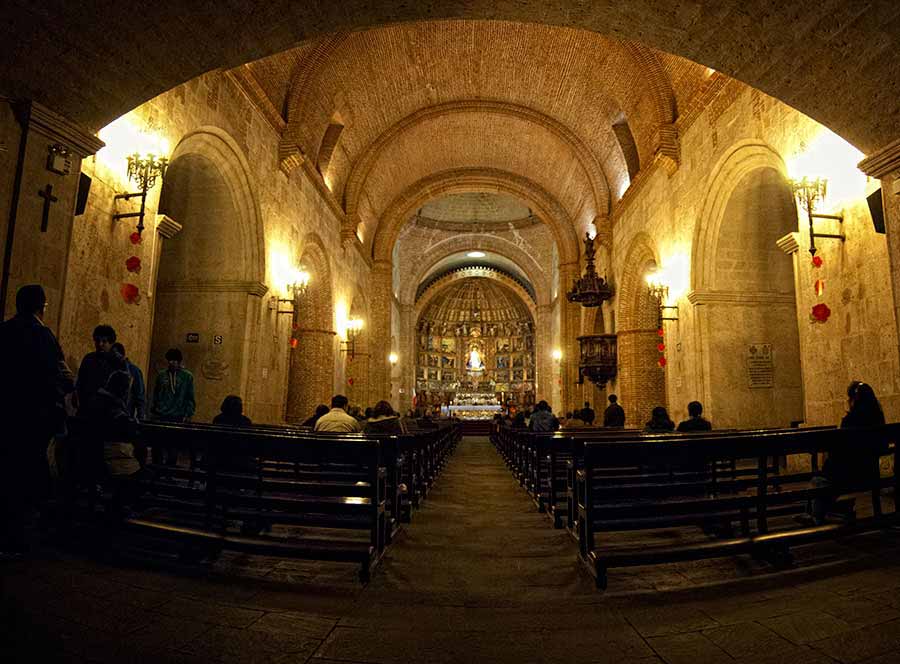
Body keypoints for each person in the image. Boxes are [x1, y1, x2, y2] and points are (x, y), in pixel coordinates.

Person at [0, 285, 76, 557]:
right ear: (41, 306)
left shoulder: (5, 331)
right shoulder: (44, 336)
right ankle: (21, 537)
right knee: (29, 472)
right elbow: (65, 377)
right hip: (36, 417)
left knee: (7, 470)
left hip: (7, 415)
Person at [810, 381, 886, 524]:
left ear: (854, 400)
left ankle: (817, 517)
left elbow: (838, 452)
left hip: (850, 477)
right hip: (871, 474)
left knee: (819, 481)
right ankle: (840, 509)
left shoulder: (850, 421)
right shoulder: (878, 420)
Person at [150, 348, 196, 465]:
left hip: (177, 415)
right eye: (170, 360)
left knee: (173, 444)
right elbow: (156, 394)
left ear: (179, 362)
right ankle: (158, 468)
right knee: (158, 444)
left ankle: (170, 469)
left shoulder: (187, 377)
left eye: (175, 360)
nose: (172, 363)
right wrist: (155, 409)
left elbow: (190, 396)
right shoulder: (161, 376)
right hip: (161, 414)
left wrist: (188, 413)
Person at [76, 325, 126, 417]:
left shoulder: (117, 363)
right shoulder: (88, 359)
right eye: (97, 341)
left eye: (104, 341)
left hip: (107, 413)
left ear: (111, 343)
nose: (100, 344)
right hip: (87, 411)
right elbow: (81, 383)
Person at [111, 342, 145, 421]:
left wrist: (141, 419)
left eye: (114, 354)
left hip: (126, 415)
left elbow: (140, 397)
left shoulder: (134, 371)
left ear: (121, 355)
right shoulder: (112, 368)